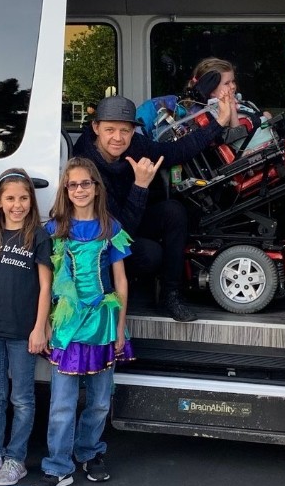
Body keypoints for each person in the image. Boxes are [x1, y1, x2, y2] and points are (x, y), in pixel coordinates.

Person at [71, 93, 234, 322]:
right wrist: (140, 186)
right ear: (96, 127)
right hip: (105, 241)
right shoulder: (85, 165)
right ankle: (118, 295)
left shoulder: (135, 145)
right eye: (110, 130)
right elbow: (119, 233)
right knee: (150, 254)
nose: (118, 137)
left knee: (173, 211)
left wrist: (218, 123)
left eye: (125, 130)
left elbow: (174, 152)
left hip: (130, 219)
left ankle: (171, 295)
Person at [32, 158, 133, 486]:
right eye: (72, 185)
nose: (79, 190)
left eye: (85, 184)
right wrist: (43, 325)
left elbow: (121, 282)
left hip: (103, 324)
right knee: (62, 401)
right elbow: (44, 286)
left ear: (96, 187)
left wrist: (120, 326)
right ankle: (58, 465)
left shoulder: (111, 229)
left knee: (101, 399)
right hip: (66, 326)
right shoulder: (54, 230)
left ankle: (89, 452)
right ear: (65, 189)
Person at [0, 169, 53, 486]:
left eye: (23, 198)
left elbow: (45, 288)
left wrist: (39, 328)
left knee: (22, 398)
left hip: (23, 331)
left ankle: (15, 459)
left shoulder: (39, 236)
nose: (17, 204)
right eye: (10, 198)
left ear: (31, 201)